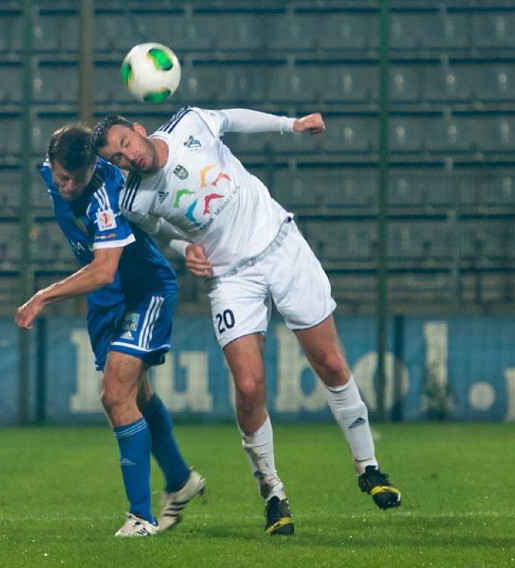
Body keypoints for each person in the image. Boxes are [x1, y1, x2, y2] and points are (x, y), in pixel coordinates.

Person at [92, 107, 402, 537]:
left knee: (329, 362)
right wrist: (185, 249)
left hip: (280, 245)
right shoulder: (132, 199)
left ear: (138, 131)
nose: (128, 158)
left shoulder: (189, 125)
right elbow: (160, 227)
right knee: (250, 387)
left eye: (126, 145)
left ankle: (369, 469)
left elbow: (233, 119)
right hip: (230, 277)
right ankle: (273, 494)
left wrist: (290, 125)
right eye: (118, 159)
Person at [16, 124, 205, 537]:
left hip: (143, 290)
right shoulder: (51, 169)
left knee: (115, 394)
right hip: (106, 304)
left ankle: (141, 517)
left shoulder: (106, 192)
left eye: (76, 179)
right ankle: (180, 480)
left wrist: (44, 296)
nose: (66, 186)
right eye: (61, 177)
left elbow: (104, 271)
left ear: (91, 169)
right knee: (136, 395)